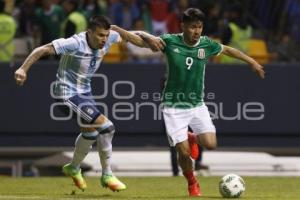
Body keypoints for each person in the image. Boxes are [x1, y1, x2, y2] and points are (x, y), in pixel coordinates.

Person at [112, 8, 265, 197]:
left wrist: (252, 62)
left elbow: (228, 49)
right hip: (173, 107)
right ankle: (192, 182)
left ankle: (192, 136)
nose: (197, 31)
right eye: (193, 27)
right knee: (184, 153)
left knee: (210, 144)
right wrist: (118, 29)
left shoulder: (206, 44)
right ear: (183, 26)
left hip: (197, 105)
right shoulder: (169, 41)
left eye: (200, 27)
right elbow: (140, 42)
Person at [14, 15, 164, 192]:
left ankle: (73, 167)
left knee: (91, 133)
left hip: (84, 93)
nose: (104, 39)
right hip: (66, 93)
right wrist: (23, 68)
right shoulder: (74, 43)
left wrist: (149, 38)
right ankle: (107, 174)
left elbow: (133, 36)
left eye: (106, 35)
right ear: (89, 32)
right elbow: (42, 49)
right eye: (100, 35)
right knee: (107, 127)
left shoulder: (109, 37)